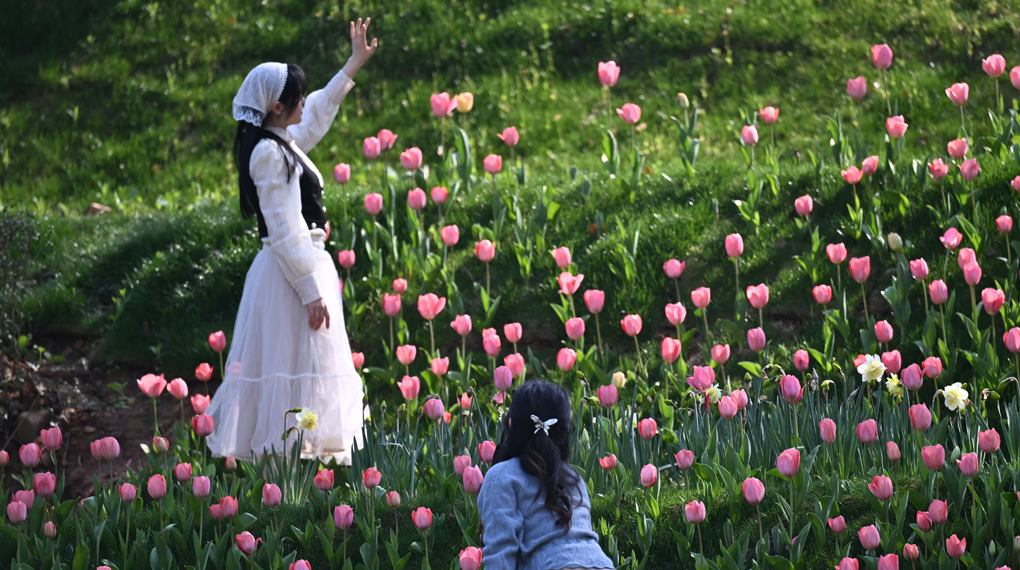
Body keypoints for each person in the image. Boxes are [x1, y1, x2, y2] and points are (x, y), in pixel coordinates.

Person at [205, 19, 378, 465]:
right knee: (291, 366)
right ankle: (281, 470)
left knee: (305, 367)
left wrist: (353, 63)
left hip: (299, 270)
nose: (304, 103)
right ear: (278, 108)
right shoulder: (267, 153)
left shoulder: (279, 139)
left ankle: (296, 462)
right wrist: (309, 288)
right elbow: (282, 227)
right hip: (288, 276)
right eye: (296, 98)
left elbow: (316, 112)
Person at [477, 381, 614, 570]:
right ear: (565, 431)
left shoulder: (501, 477)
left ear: (510, 423)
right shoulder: (574, 479)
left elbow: (500, 557)